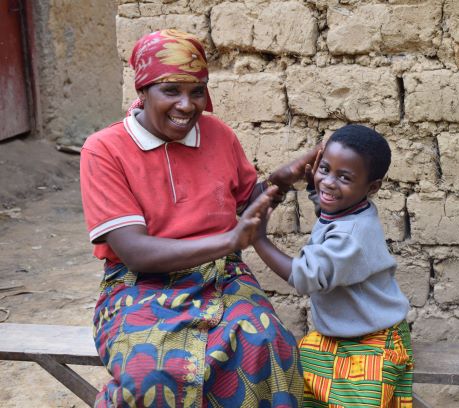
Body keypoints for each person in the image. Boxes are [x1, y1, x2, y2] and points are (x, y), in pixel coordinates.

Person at [79, 29, 318, 407]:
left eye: (197, 90)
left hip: (222, 276)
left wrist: (280, 182)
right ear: (142, 92)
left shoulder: (217, 134)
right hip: (139, 286)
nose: (187, 105)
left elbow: (248, 208)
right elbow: (134, 252)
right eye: (170, 91)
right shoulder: (105, 149)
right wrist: (229, 241)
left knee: (266, 345)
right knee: (149, 377)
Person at [253, 124, 414, 407]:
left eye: (344, 177)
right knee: (300, 381)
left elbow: (305, 277)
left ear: (372, 187)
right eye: (324, 169)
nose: (328, 182)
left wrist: (258, 240)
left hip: (375, 339)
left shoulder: (351, 235)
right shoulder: (350, 209)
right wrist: (312, 188)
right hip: (340, 337)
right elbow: (330, 212)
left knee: (358, 400)